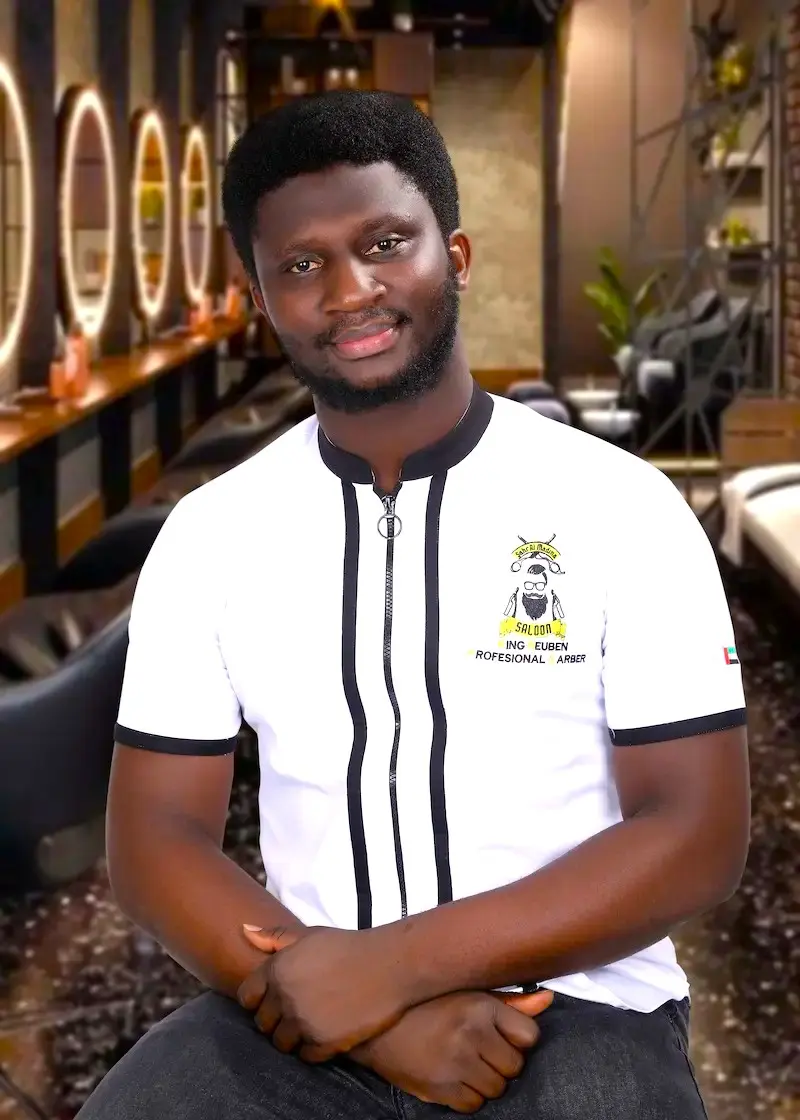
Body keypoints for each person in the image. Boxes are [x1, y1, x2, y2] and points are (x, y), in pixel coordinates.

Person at [77, 90, 750, 1119]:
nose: (349, 290)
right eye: (300, 265)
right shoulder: (214, 533)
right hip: (297, 997)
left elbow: (696, 828)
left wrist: (396, 969)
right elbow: (155, 835)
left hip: (575, 1000)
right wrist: (362, 1004)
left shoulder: (620, 508)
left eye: (385, 241)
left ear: (458, 254)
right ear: (262, 297)